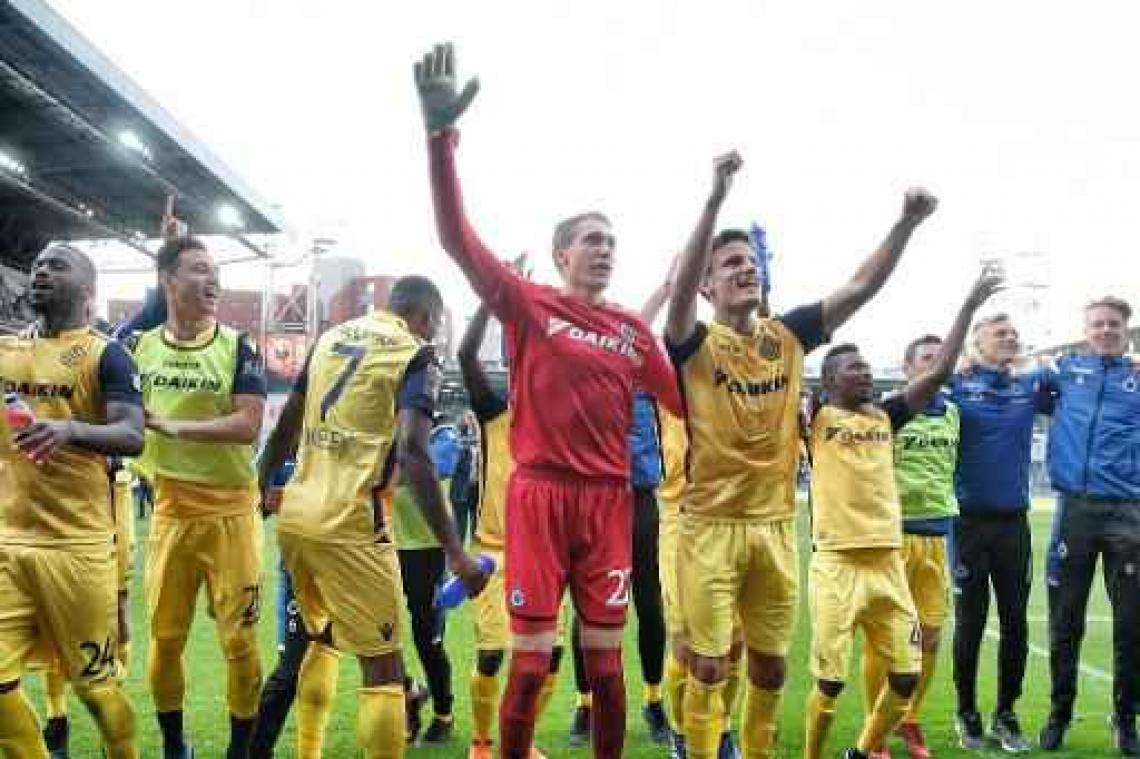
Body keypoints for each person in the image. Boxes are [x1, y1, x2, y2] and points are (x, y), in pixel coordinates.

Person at [416, 43, 684, 758]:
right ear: (560, 252)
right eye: (591, 240)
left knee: (606, 665)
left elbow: (687, 400)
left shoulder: (633, 331)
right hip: (537, 499)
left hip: (610, 502)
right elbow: (455, 238)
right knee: (530, 663)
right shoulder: (528, 303)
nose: (604, 249)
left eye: (611, 241)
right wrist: (440, 138)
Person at [664, 147, 938, 759]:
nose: (746, 268)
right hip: (707, 527)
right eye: (730, 263)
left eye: (750, 261)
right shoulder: (693, 341)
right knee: (708, 668)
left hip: (775, 528)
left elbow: (861, 286)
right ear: (706, 283)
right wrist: (714, 199)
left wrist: (905, 224)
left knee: (769, 672)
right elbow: (679, 292)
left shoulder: (786, 336)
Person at [257, 274, 487, 759]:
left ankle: (306, 752)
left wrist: (259, 482)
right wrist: (456, 552)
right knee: (384, 671)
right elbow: (414, 452)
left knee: (318, 639)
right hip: (353, 525)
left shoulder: (330, 338)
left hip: (297, 517)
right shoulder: (416, 353)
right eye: (436, 324)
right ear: (426, 316)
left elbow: (288, 421)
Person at [804, 271, 1001, 759]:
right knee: (829, 682)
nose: (866, 372)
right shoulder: (815, 420)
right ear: (829, 382)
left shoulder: (884, 416)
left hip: (888, 562)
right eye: (853, 368)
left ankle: (863, 750)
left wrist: (968, 305)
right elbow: (779, 362)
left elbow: (936, 376)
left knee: (906, 674)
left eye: (867, 366)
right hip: (837, 563)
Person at [126, 235, 268, 759]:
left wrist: (172, 426)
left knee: (240, 643)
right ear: (169, 281)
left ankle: (240, 750)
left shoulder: (238, 345)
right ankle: (172, 745)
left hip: (232, 511)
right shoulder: (139, 343)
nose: (213, 282)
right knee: (165, 640)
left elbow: (249, 424)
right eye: (199, 270)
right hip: (169, 511)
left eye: (216, 273)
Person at [0, 243, 144, 758]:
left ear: (88, 291)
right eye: (36, 263)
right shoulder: (6, 350)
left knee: (96, 688)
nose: (40, 269)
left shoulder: (107, 354)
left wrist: (67, 429)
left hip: (77, 547)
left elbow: (132, 436)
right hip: (9, 542)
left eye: (56, 265)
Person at [568, 263, 677, 748]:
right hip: (591, 496)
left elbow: (642, 320)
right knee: (586, 607)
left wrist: (671, 280)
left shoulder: (639, 365)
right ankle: (584, 707)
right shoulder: (588, 363)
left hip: (638, 496)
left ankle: (654, 702)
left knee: (649, 602)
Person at [458, 294, 564, 759]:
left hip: (544, 559)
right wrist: (490, 299)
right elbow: (465, 355)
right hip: (494, 552)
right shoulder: (494, 416)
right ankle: (482, 744)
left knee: (552, 657)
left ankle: (521, 740)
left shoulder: (560, 428)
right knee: (492, 654)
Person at [1039, 296, 1139, 756]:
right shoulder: (1062, 372)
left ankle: (1125, 718)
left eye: (1113, 324)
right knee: (1065, 621)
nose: (1104, 330)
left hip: (1129, 513)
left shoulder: (1136, 376)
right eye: (1097, 323)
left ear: (1126, 330)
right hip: (1074, 511)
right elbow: (1016, 383)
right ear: (1085, 328)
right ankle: (1059, 715)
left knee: (1132, 624)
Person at [947, 311, 1052, 752]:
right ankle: (966, 713)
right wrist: (958, 364)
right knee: (969, 623)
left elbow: (1077, 387)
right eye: (1000, 333)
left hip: (1014, 525)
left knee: (1015, 623)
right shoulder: (955, 385)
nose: (1011, 338)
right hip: (967, 524)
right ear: (977, 341)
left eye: (1014, 333)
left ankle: (1006, 714)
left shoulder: (1031, 385)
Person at [860, 332, 961, 759]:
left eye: (941, 358)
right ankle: (875, 728)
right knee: (886, 639)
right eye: (926, 358)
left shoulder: (954, 412)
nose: (935, 364)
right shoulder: (889, 413)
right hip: (893, 537)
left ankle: (909, 718)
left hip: (938, 536)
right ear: (907, 369)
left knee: (931, 637)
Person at [391, 446, 457, 744]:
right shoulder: (380, 431)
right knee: (376, 634)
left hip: (427, 550)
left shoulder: (443, 434)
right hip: (385, 547)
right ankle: (411, 690)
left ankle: (444, 715)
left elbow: (424, 473)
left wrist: (374, 473)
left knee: (426, 639)